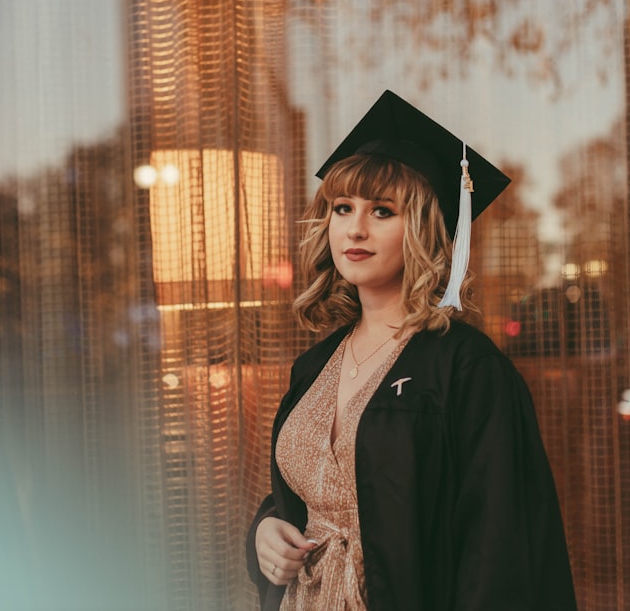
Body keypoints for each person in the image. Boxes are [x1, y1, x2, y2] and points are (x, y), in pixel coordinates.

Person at [246, 90, 576, 610]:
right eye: (342, 208)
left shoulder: (466, 370)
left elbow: (501, 549)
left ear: (425, 227)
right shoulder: (313, 367)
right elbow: (310, 495)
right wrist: (265, 532)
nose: (355, 227)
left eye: (383, 211)